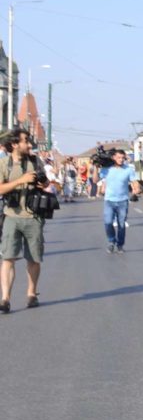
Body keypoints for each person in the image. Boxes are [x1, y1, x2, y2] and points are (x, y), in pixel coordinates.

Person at [0, 130, 50, 313]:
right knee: (8, 258)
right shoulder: (4, 164)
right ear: (14, 144)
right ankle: (5, 298)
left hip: (33, 217)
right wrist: (20, 180)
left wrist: (43, 184)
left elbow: (47, 183)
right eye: (25, 141)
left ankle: (31, 293)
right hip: (12, 216)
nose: (29, 145)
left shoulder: (35, 162)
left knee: (34, 258)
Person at [98, 149, 141, 254]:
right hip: (109, 201)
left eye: (123, 158)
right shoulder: (107, 169)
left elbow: (134, 181)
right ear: (113, 158)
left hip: (123, 201)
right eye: (119, 157)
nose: (121, 160)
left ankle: (120, 245)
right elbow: (95, 180)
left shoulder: (128, 169)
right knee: (108, 222)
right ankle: (111, 242)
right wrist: (95, 167)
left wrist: (137, 189)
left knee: (121, 224)